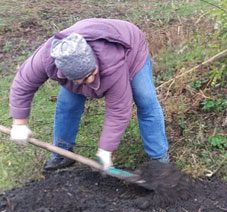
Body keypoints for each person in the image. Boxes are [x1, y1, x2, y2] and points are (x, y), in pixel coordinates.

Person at [9, 18, 169, 171]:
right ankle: (63, 152)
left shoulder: (113, 65)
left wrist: (105, 150)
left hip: (131, 46)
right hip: (82, 60)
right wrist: (19, 123)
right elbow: (23, 84)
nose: (91, 80)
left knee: (145, 99)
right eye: (84, 79)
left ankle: (159, 159)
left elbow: (118, 111)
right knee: (67, 105)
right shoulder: (47, 58)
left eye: (92, 73)